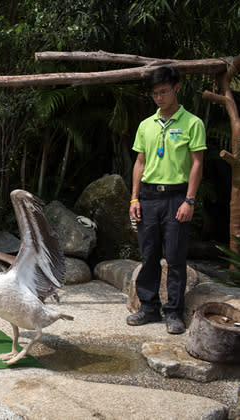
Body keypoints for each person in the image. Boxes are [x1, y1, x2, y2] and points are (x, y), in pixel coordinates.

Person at [127, 65, 206, 334]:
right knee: (148, 254)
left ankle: (173, 312)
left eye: (164, 92)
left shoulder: (192, 123)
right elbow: (140, 162)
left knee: (174, 256)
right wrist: (134, 199)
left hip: (177, 198)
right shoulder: (145, 125)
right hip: (148, 197)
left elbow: (197, 164)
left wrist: (189, 200)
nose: (159, 98)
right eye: (155, 94)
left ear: (177, 89)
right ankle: (148, 307)